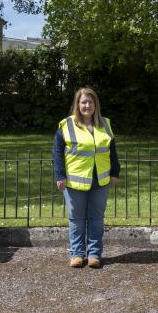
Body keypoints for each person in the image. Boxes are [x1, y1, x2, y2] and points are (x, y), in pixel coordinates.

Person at [54, 87, 120, 269]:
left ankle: (94, 254)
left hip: (100, 180)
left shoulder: (105, 124)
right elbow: (58, 152)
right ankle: (77, 254)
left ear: (95, 105)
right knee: (76, 218)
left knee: (96, 218)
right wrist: (60, 175)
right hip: (74, 181)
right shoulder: (66, 125)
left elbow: (111, 151)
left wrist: (115, 172)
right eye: (83, 102)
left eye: (90, 102)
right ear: (77, 105)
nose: (87, 105)